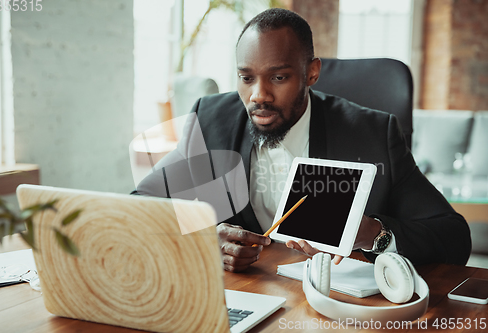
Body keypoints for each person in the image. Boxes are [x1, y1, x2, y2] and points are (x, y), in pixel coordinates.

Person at [134, 8, 471, 272]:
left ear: (312, 72)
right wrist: (204, 239)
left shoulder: (372, 134)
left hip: (332, 310)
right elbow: (137, 208)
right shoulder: (211, 119)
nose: (258, 95)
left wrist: (372, 234)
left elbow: (453, 237)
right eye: (246, 77)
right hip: (243, 299)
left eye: (278, 77)